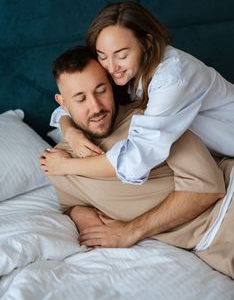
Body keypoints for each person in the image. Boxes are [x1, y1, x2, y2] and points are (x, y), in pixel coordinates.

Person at [40, 45, 234, 279]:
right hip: (211, 246)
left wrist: (130, 231)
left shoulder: (150, 119)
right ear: (62, 103)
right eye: (80, 98)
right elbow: (70, 204)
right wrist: (84, 217)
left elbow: (207, 188)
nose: (96, 107)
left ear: (112, 86)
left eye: (101, 90)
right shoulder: (57, 163)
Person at [50, 1, 234, 185]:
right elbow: (71, 103)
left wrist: (66, 166)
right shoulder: (121, 72)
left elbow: (135, 160)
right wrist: (71, 133)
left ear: (146, 42)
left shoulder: (172, 79)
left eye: (122, 55)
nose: (112, 67)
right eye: (102, 56)